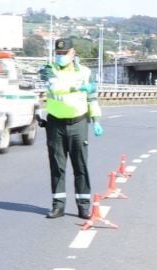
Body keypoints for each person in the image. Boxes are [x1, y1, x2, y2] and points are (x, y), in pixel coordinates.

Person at [39, 37, 104, 219]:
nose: (60, 56)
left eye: (64, 53)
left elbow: (92, 97)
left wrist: (96, 120)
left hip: (78, 123)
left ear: (73, 53)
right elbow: (55, 88)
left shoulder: (85, 72)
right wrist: (78, 88)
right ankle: (58, 205)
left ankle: (83, 206)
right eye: (58, 53)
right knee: (57, 167)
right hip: (55, 124)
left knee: (80, 166)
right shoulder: (48, 70)